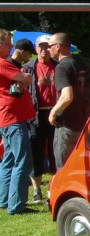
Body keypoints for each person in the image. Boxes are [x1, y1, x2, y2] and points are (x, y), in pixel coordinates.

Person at [47, 33, 90, 170]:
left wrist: (53, 112)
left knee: (64, 169)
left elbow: (67, 96)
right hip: (85, 124)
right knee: (81, 169)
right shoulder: (81, 63)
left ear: (58, 47)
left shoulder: (62, 67)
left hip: (67, 127)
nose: (48, 49)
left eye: (50, 46)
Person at [0, 31, 36, 214]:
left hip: (8, 119)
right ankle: (16, 205)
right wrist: (23, 78)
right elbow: (27, 78)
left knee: (9, 160)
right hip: (13, 119)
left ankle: (5, 200)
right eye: (8, 44)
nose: (11, 47)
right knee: (22, 161)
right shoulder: (3, 63)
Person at [22, 35, 58, 203]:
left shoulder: (58, 66)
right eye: (41, 47)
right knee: (36, 152)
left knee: (54, 152)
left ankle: (53, 188)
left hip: (55, 114)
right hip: (35, 115)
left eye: (47, 46)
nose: (44, 50)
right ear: (36, 49)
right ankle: (36, 190)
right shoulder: (28, 67)